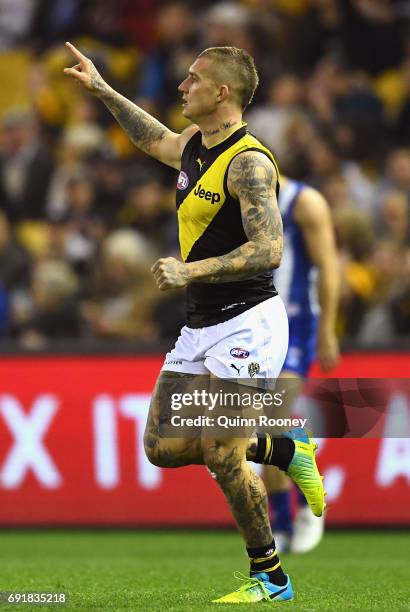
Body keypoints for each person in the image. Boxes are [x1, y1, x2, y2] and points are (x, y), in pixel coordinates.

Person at [64, 42, 326, 603]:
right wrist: (104, 89)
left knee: (222, 451)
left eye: (193, 80)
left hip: (249, 320)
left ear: (221, 93)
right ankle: (284, 448)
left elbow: (271, 249)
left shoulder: (249, 162)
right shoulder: (193, 146)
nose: (183, 87)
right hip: (202, 321)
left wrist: (191, 270)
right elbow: (152, 139)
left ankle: (271, 577)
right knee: (161, 446)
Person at [264, 176, 340, 554]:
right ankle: (280, 523)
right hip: (253, 328)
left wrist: (327, 328)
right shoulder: (238, 202)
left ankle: (305, 507)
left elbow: (328, 266)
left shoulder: (304, 203)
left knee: (274, 414)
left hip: (296, 324)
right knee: (257, 430)